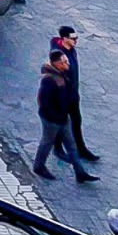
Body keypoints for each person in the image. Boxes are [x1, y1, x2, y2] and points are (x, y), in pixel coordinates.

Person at [33, 48, 98, 183]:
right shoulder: (49, 80)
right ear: (56, 64)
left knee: (71, 144)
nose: (67, 65)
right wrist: (55, 118)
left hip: (63, 117)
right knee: (47, 142)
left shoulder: (62, 74)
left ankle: (80, 172)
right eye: (64, 62)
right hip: (52, 120)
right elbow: (45, 102)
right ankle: (39, 166)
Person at [52, 27, 100, 164]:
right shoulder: (58, 56)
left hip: (73, 94)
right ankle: (57, 148)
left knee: (76, 121)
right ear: (65, 39)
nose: (76, 41)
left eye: (76, 38)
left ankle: (81, 148)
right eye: (73, 38)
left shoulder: (71, 50)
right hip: (62, 96)